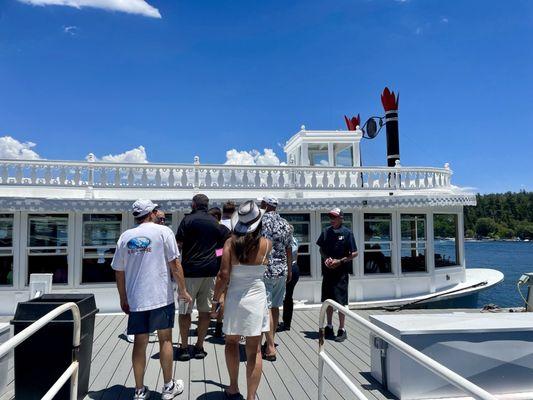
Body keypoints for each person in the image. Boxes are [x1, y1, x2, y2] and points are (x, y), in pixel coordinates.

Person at [112, 199, 192, 400]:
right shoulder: (164, 232)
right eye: (155, 210)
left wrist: (123, 297)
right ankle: (168, 387)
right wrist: (182, 291)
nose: (158, 213)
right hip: (160, 298)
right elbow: (175, 264)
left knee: (140, 342)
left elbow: (119, 271)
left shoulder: (125, 236)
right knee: (165, 339)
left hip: (136, 299)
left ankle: (139, 390)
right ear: (151, 213)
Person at [211, 200, 271, 400]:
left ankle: (233, 387)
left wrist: (215, 299)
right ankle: (251, 397)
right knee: (254, 351)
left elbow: (223, 275)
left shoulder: (230, 243)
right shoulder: (266, 244)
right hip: (257, 296)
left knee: (231, 342)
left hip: (235, 297)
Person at [175, 194, 226, 361]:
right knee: (205, 312)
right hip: (211, 272)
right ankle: (199, 347)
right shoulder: (215, 223)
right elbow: (225, 248)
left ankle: (183, 348)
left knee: (184, 312)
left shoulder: (187, 221)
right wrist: (215, 256)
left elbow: (178, 246)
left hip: (189, 272)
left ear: (193, 204)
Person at [316, 207, 358, 342]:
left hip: (341, 274)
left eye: (334, 217)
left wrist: (340, 261)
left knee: (340, 302)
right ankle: (329, 326)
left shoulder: (347, 233)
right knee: (328, 301)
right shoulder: (326, 232)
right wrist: (326, 258)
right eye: (331, 217)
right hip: (328, 272)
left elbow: (354, 253)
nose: (332, 220)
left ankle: (342, 329)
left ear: (341, 218)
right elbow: (321, 249)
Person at [259, 196, 292, 361]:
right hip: (282, 270)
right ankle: (272, 340)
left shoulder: (259, 222)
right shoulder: (285, 223)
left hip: (265, 271)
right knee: (275, 307)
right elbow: (289, 248)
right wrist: (290, 270)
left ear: (265, 205)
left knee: (266, 309)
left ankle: (270, 347)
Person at [208, 206, 232, 337]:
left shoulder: (209, 229)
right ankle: (218, 324)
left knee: (215, 298)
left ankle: (216, 322)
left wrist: (212, 253)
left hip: (210, 267)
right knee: (222, 297)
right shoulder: (225, 230)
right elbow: (226, 250)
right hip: (221, 267)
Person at [279, 227, 300, 331]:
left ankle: (286, 322)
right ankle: (287, 322)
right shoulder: (295, 240)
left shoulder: (286, 242)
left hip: (288, 269)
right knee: (288, 296)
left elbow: (288, 255)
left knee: (285, 297)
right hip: (295, 267)